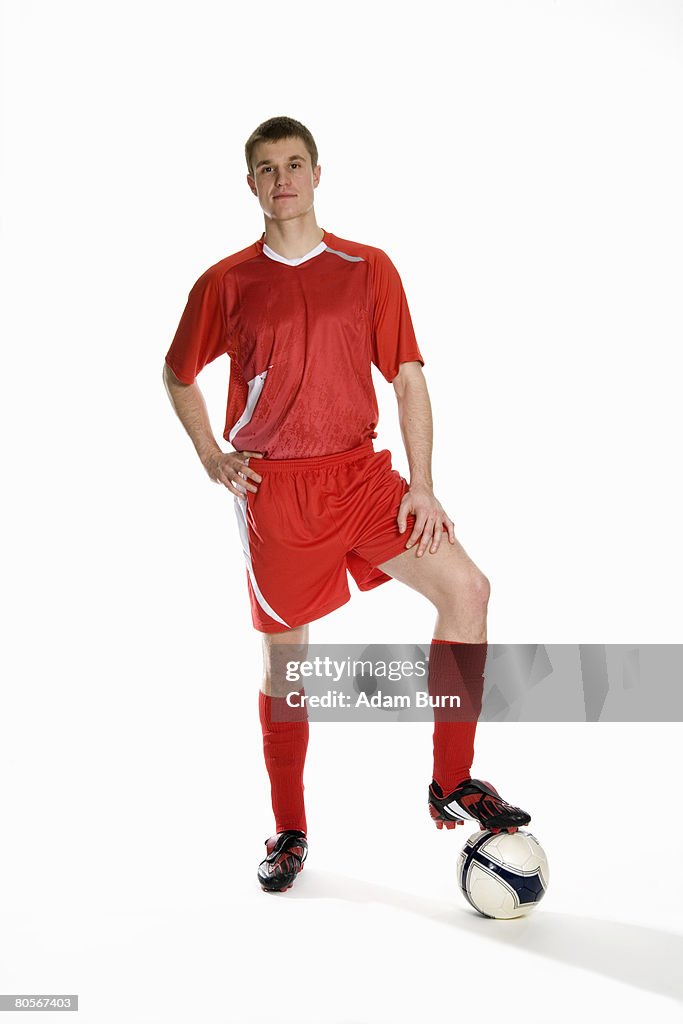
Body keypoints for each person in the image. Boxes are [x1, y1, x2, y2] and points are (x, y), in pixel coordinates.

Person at [163, 115, 531, 893]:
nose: (282, 179)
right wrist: (210, 455)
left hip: (363, 480)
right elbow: (177, 371)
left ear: (318, 173)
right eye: (266, 168)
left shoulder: (367, 267)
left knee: (467, 590)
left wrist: (421, 483)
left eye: (294, 164)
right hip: (278, 491)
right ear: (251, 184)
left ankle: (452, 779)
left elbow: (405, 376)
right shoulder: (227, 281)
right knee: (287, 664)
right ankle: (290, 827)